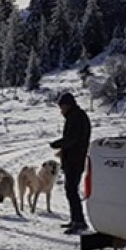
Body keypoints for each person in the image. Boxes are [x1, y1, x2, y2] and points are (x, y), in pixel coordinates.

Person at [49, 92, 91, 235]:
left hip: (75, 160)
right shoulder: (76, 116)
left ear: (67, 105)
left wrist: (57, 144)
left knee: (72, 190)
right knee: (70, 190)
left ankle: (79, 222)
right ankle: (75, 219)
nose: (61, 111)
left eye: (61, 107)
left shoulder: (76, 118)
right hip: (73, 159)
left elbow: (72, 139)